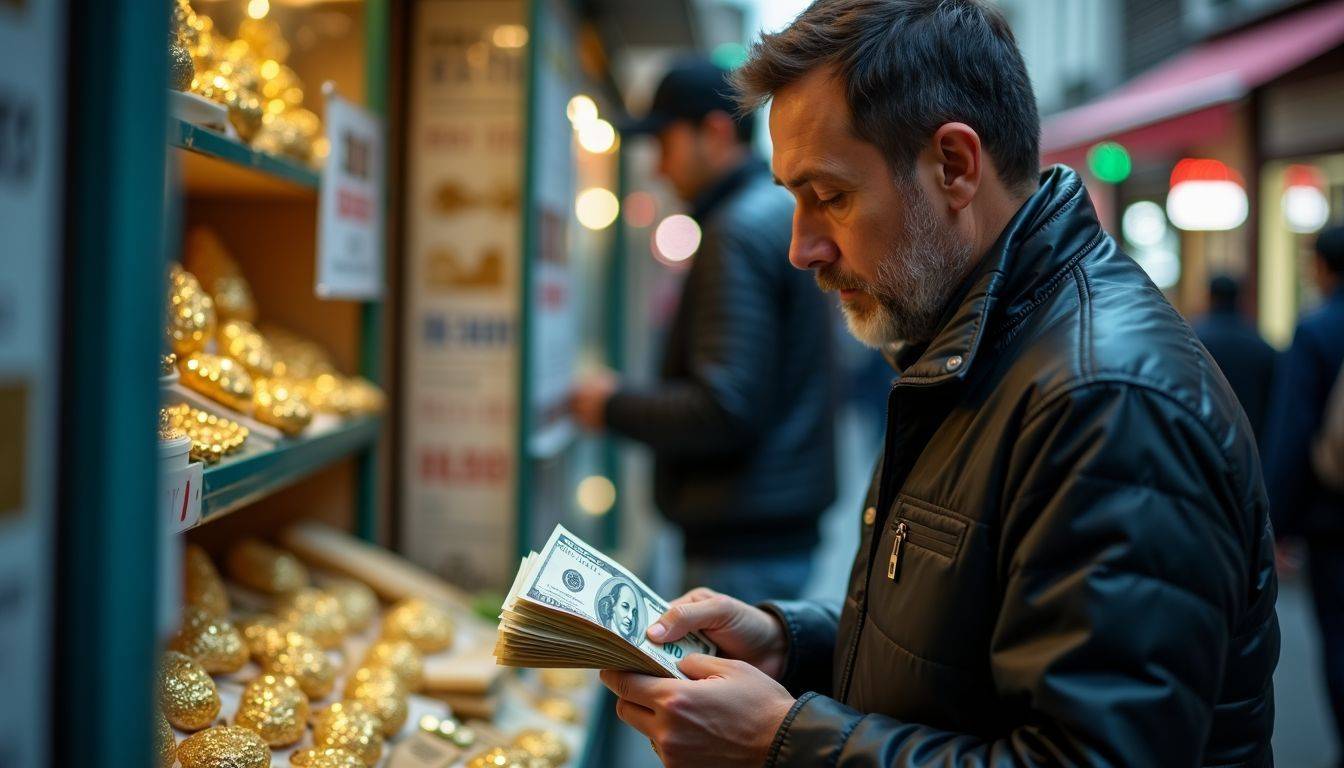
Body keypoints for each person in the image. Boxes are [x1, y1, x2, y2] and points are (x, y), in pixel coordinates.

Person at [597, 2, 1279, 766]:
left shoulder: (1106, 401)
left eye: (829, 195)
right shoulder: (976, 342)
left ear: (954, 166)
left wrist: (782, 741)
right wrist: (794, 645)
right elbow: (965, 651)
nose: (801, 246)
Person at [569, 58, 837, 605]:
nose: (660, 169)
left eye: (664, 145)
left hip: (742, 547)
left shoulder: (736, 230)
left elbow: (724, 406)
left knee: (718, 688)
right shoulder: (768, 215)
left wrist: (612, 404)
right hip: (769, 532)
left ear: (713, 132)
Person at [1265, 224, 1344, 750]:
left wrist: (1278, 525)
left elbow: (1293, 436)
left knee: (1340, 638)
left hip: (1334, 521)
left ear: (1320, 266)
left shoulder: (1319, 330)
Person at [1193, 275, 1277, 449]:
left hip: (1206, 440)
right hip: (1252, 441)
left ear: (1209, 297)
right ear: (1239, 299)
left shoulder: (1193, 341)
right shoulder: (1260, 345)